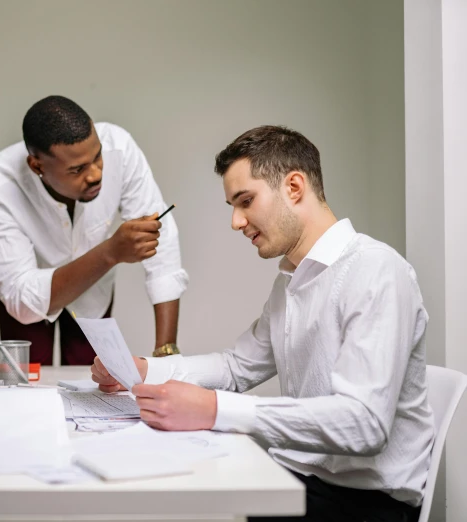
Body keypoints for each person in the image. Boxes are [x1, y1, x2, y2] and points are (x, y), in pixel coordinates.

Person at [91, 126, 434, 522]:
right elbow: (237, 367)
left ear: (293, 186)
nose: (237, 222)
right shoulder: (291, 280)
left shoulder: (377, 271)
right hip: (301, 479)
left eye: (246, 201)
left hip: (362, 505)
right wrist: (146, 369)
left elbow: (364, 424)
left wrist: (215, 409)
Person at [0, 95, 188, 365]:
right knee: (25, 387)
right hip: (31, 297)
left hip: (95, 293)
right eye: (77, 169)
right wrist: (110, 252)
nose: (96, 174)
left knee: (94, 385)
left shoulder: (119, 146)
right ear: (37, 165)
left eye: (97, 157)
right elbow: (22, 301)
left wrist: (166, 352)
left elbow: (161, 243)